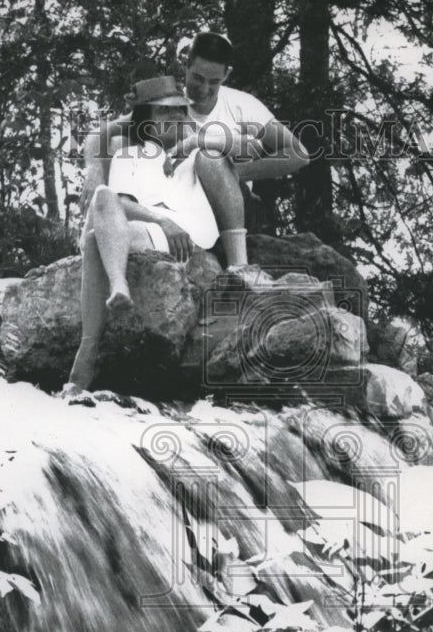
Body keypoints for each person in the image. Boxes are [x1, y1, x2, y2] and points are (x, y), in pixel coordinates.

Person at [67, 75, 239, 392]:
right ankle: (118, 287)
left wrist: (195, 142)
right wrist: (161, 220)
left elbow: (249, 145)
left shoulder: (200, 144)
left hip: (193, 235)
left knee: (99, 237)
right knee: (102, 205)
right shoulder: (129, 154)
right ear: (147, 119)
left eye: (178, 110)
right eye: (163, 112)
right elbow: (117, 204)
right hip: (153, 230)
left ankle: (88, 350)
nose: (174, 117)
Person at [81, 31, 309, 265]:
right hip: (178, 198)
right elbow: (103, 132)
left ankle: (239, 265)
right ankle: (108, 235)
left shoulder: (242, 105)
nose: (204, 88)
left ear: (226, 74)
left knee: (209, 158)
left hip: (229, 203)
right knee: (121, 144)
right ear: (186, 66)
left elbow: (298, 154)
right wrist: (94, 171)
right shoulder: (170, 101)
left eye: (214, 82)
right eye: (198, 78)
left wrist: (233, 173)